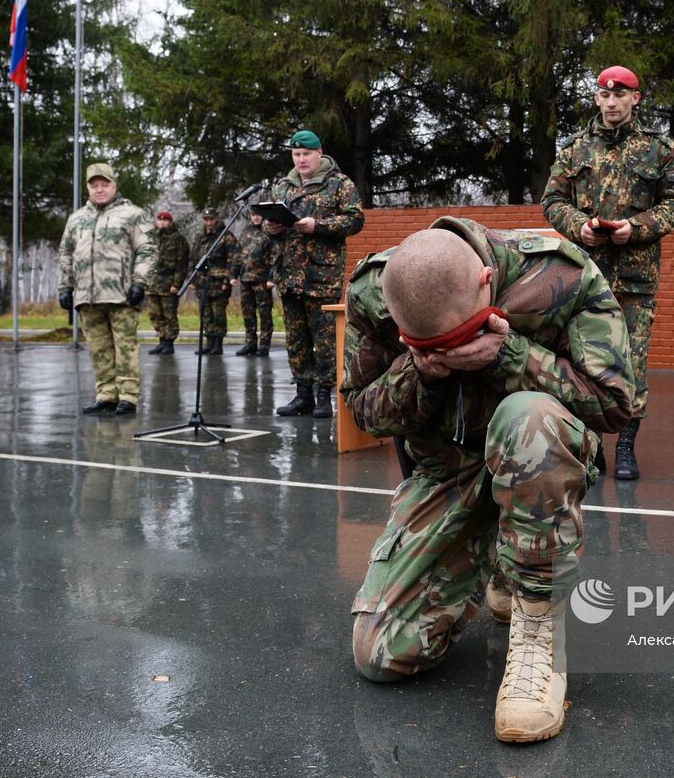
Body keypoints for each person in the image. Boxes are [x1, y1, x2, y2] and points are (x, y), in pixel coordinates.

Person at [343, 217, 632, 743]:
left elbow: (616, 405)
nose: (446, 350)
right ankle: (497, 558)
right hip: (445, 475)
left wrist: (511, 355)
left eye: (456, 337)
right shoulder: (372, 291)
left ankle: (538, 624)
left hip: (534, 460)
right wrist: (421, 371)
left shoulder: (556, 273)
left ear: (485, 280)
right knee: (382, 655)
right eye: (426, 343)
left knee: (530, 419)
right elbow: (364, 412)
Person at [541, 64, 674, 480]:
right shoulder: (574, 149)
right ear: (597, 98)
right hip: (585, 276)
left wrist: (635, 229)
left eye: (620, 94)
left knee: (632, 364)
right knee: (583, 362)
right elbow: (552, 200)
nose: (612, 101)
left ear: (635, 98)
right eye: (605, 95)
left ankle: (625, 447)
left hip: (636, 279)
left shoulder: (659, 149)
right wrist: (578, 227)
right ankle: (590, 447)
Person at [264, 130, 365, 417]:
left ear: (319, 153)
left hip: (321, 276)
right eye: (296, 155)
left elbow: (355, 220)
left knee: (324, 340)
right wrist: (270, 228)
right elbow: (269, 224)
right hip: (290, 275)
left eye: (305, 154)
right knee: (296, 340)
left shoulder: (338, 183)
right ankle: (302, 394)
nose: (301, 159)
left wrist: (317, 225)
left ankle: (324, 396)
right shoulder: (284, 186)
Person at [57, 163, 156, 415]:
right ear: (88, 188)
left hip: (122, 294)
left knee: (125, 347)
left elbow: (147, 250)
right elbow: (66, 254)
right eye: (94, 185)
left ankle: (128, 396)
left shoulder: (133, 214)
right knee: (98, 348)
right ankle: (106, 394)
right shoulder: (77, 218)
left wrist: (139, 282)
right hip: (87, 296)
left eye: (104, 184)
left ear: (114, 186)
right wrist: (65, 286)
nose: (99, 189)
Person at [229, 210, 279, 357]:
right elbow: (238, 255)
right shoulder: (245, 233)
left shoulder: (269, 232)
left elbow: (275, 257)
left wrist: (272, 278)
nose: (256, 217)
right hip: (245, 280)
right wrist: (233, 274)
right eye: (253, 215)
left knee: (264, 315)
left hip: (262, 281)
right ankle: (250, 343)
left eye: (258, 215)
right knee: (248, 314)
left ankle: (264, 345)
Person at [191, 208, 238, 356]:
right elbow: (193, 259)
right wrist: (192, 279)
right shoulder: (200, 237)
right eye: (206, 220)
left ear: (216, 219)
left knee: (218, 314)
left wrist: (228, 279)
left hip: (219, 282)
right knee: (206, 314)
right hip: (203, 282)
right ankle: (209, 342)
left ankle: (218, 344)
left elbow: (233, 259)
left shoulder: (226, 236)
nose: (209, 222)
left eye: (211, 219)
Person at [145, 210, 189, 355]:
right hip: (153, 283)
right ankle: (161, 340)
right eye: (159, 220)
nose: (162, 222)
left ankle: (169, 343)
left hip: (168, 283)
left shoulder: (178, 239)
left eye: (165, 220)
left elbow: (181, 264)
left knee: (169, 315)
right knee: (155, 314)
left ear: (170, 222)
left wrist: (176, 284)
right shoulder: (152, 239)